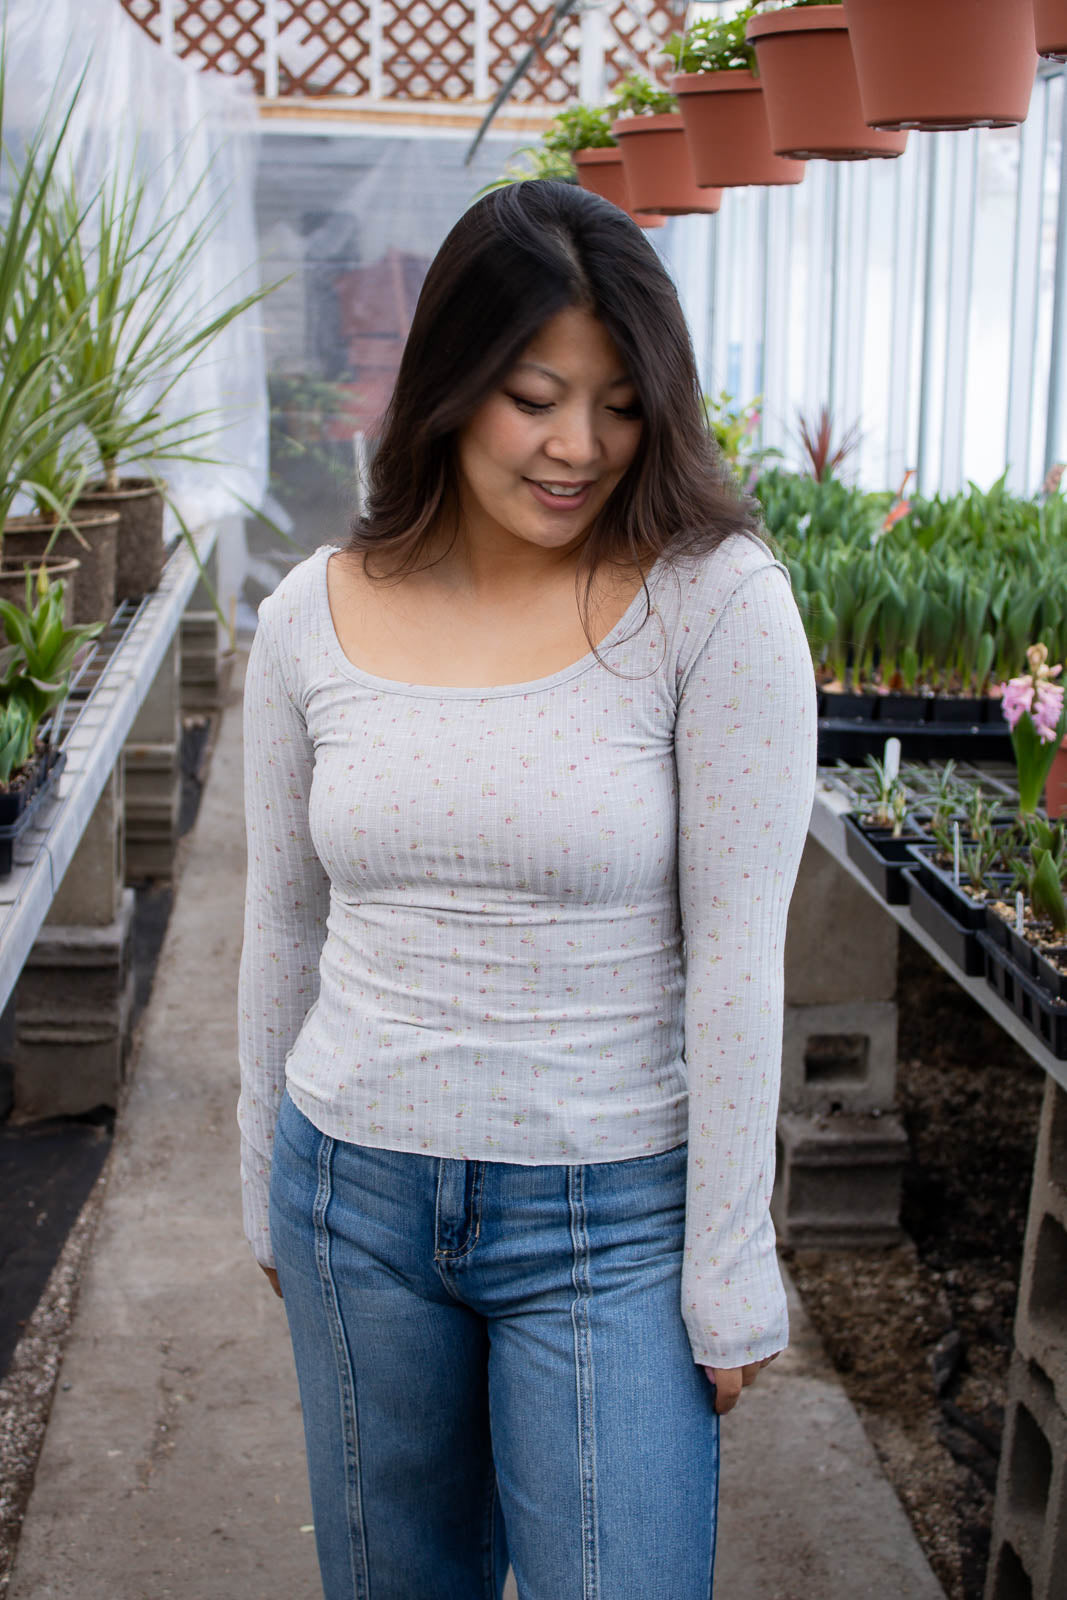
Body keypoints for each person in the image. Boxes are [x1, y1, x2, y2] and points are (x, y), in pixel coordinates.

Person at [238, 178, 817, 1600]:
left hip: (612, 1219)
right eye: (535, 396)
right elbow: (282, 922)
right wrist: (263, 1185)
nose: (580, 447)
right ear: (448, 386)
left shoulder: (716, 601)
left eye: (621, 404)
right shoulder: (310, 613)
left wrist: (729, 1259)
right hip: (352, 1199)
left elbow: (741, 956)